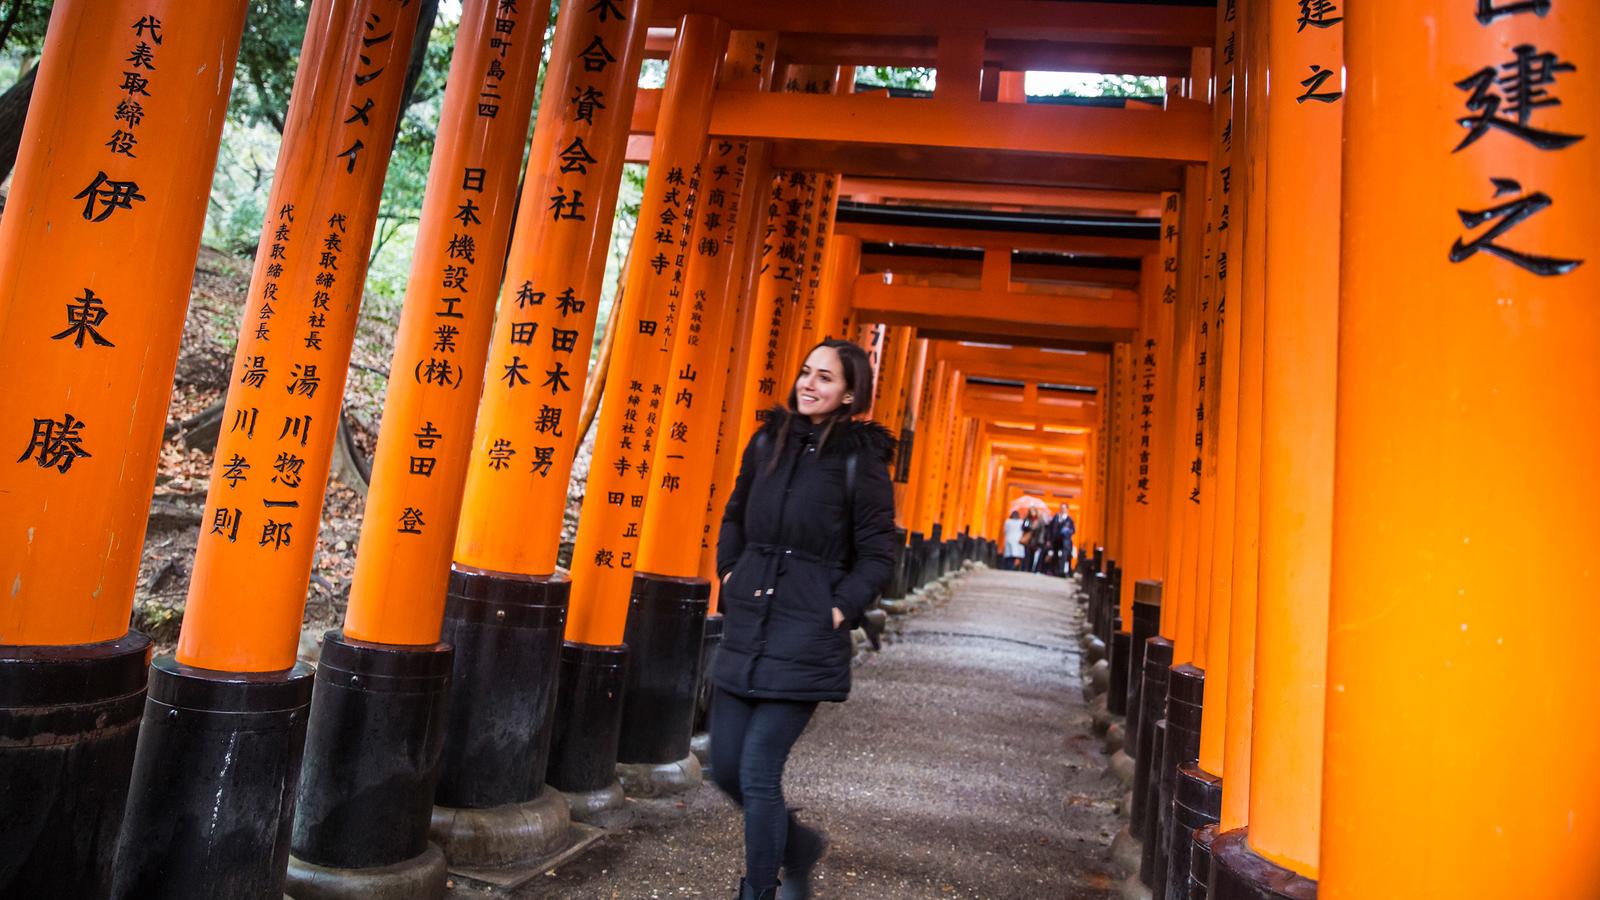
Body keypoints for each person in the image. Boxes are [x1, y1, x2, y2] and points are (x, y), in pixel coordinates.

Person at [712, 338, 898, 900]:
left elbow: (877, 554)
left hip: (806, 633)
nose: (809, 385)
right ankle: (799, 847)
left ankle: (758, 891)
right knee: (723, 769)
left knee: (758, 773)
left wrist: (837, 608)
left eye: (825, 378)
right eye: (806, 372)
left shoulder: (859, 462)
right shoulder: (766, 441)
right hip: (748, 621)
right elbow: (735, 515)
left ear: (849, 393)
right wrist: (729, 573)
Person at [1053, 504, 1076, 576]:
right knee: (1055, 555)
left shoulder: (1069, 520)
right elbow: (1052, 528)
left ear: (1067, 509)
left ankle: (1061, 571)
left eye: (1064, 508)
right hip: (1056, 539)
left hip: (1065, 541)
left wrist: (1067, 532)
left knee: (1064, 556)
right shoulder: (1056, 518)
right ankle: (1055, 570)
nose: (1062, 509)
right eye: (1061, 508)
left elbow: (1073, 530)